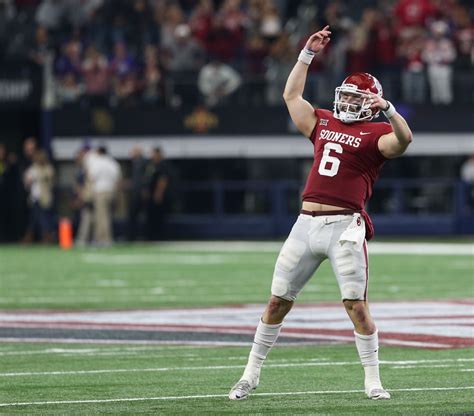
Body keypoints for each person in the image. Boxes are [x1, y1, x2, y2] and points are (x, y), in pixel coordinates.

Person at [229, 26, 413, 401]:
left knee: (356, 306)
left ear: (372, 101)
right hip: (305, 224)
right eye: (345, 95)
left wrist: (390, 111)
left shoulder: (376, 132)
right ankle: (250, 374)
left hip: (345, 227)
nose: (347, 102)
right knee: (277, 301)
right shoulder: (323, 123)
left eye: (355, 97)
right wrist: (306, 54)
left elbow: (404, 141)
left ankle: (373, 381)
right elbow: (291, 94)